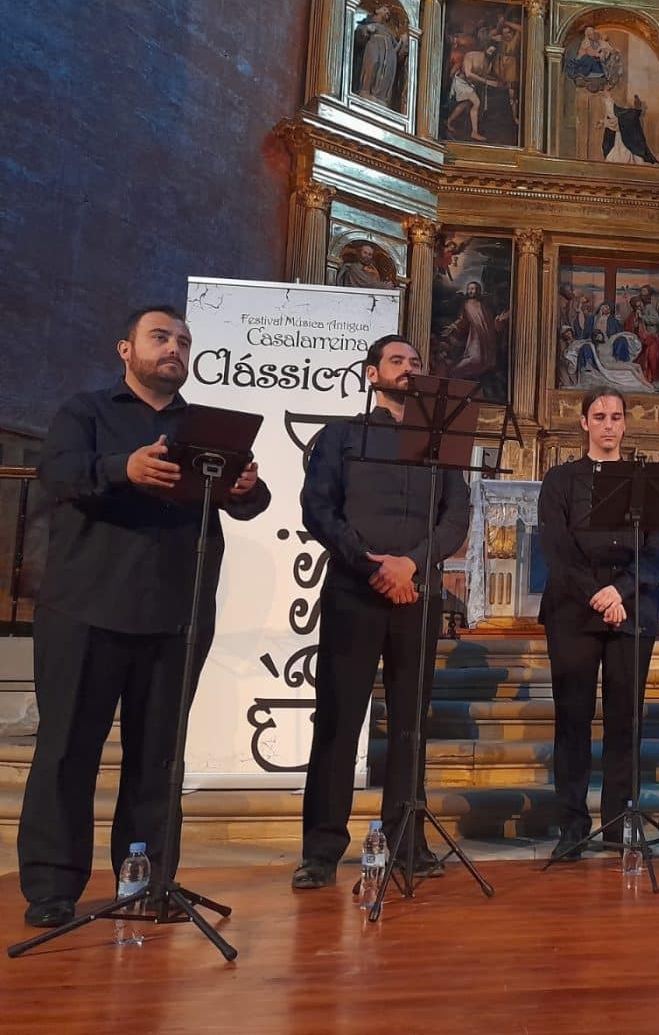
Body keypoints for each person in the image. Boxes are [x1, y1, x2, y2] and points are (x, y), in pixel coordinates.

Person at [18, 306, 270, 928]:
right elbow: (58, 473)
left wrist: (246, 490)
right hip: (85, 608)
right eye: (160, 338)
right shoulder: (87, 410)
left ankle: (146, 882)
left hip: (175, 613)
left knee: (159, 756)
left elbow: (250, 499)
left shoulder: (206, 425)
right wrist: (123, 468)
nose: (175, 349)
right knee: (66, 751)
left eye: (183, 341)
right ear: (125, 349)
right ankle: (52, 890)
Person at [292, 336, 471, 889]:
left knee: (410, 724)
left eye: (417, 363)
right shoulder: (342, 436)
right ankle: (321, 851)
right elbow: (318, 508)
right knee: (339, 722)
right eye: (398, 361)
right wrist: (372, 566)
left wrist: (411, 566)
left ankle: (406, 842)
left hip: (416, 596)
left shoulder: (442, 445)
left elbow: (454, 517)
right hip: (353, 590)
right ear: (372, 374)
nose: (409, 370)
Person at [537, 387, 659, 860]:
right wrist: (597, 592)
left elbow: (657, 551)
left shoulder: (646, 480)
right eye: (599, 416)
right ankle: (571, 828)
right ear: (584, 423)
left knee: (625, 721)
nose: (609, 424)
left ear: (625, 423)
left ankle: (619, 825)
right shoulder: (560, 480)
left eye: (616, 416)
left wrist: (621, 590)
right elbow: (556, 548)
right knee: (572, 721)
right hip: (574, 610)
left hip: (630, 611)